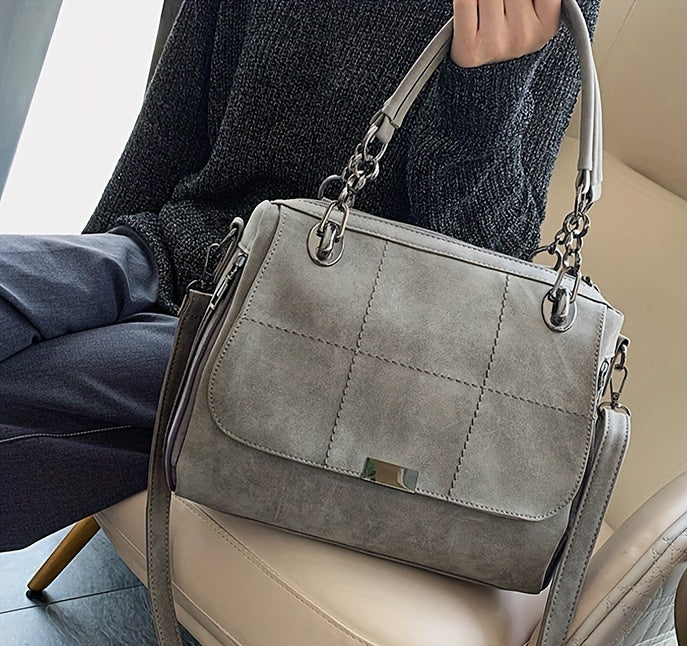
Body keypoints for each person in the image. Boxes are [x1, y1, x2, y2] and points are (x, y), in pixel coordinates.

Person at [0, 0, 599, 551]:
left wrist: (486, 92)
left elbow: (488, 278)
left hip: (330, 348)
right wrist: (77, 291)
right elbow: (171, 126)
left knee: (24, 391)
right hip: (186, 253)